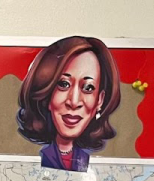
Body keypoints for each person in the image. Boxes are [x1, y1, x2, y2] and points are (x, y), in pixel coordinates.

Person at [17, 36, 121, 172]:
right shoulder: (29, 161)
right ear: (47, 95)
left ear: (100, 100)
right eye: (63, 84)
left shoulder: (102, 166)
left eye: (88, 88)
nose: (74, 101)